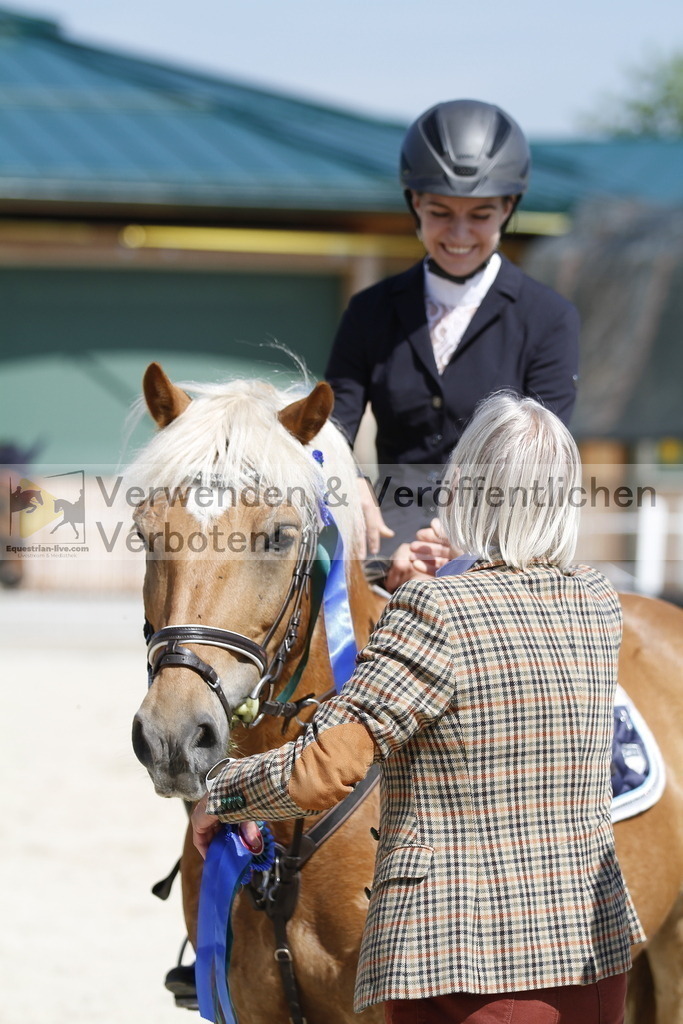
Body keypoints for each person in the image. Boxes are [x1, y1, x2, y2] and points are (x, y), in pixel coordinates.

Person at [192, 393, 644, 1024]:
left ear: (461, 484)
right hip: (591, 958)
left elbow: (325, 768)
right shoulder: (597, 603)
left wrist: (224, 792)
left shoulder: (434, 613)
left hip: (466, 969)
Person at [324, 99, 580, 590]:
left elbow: (542, 453)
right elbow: (335, 425)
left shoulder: (549, 318)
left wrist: (449, 538)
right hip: (388, 534)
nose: (459, 234)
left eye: (480, 215)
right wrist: (350, 481)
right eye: (440, 212)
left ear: (508, 208)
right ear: (414, 203)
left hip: (504, 536)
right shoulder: (370, 311)